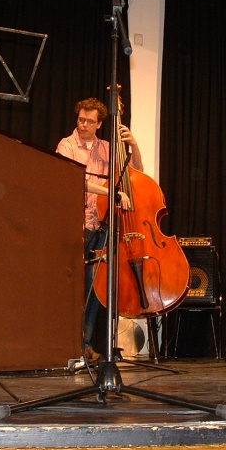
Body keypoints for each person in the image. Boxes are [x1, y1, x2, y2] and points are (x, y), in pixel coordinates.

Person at [56, 98, 143, 362]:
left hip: (102, 225)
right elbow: (73, 179)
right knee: (72, 287)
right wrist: (110, 192)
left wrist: (133, 145)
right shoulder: (67, 145)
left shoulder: (107, 148)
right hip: (74, 224)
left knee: (95, 288)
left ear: (99, 124)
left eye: (89, 121)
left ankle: (85, 344)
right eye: (81, 119)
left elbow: (136, 171)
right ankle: (64, 344)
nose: (83, 125)